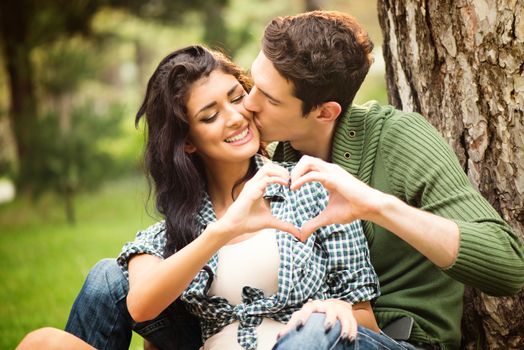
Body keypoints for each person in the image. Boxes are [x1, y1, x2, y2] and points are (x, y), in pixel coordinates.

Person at [18, 45, 387, 350]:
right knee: (44, 341)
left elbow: (364, 317)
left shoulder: (312, 189)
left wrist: (332, 309)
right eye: (210, 116)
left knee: (311, 334)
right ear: (188, 141)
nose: (235, 118)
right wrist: (224, 229)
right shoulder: (181, 227)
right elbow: (140, 305)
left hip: (304, 344)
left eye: (237, 98)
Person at [241, 10, 524, 350]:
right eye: (253, 83)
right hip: (302, 332)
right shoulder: (272, 161)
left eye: (269, 99)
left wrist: (376, 206)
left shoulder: (398, 138)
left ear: (325, 112)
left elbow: (507, 265)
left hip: (399, 340)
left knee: (317, 334)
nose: (247, 102)